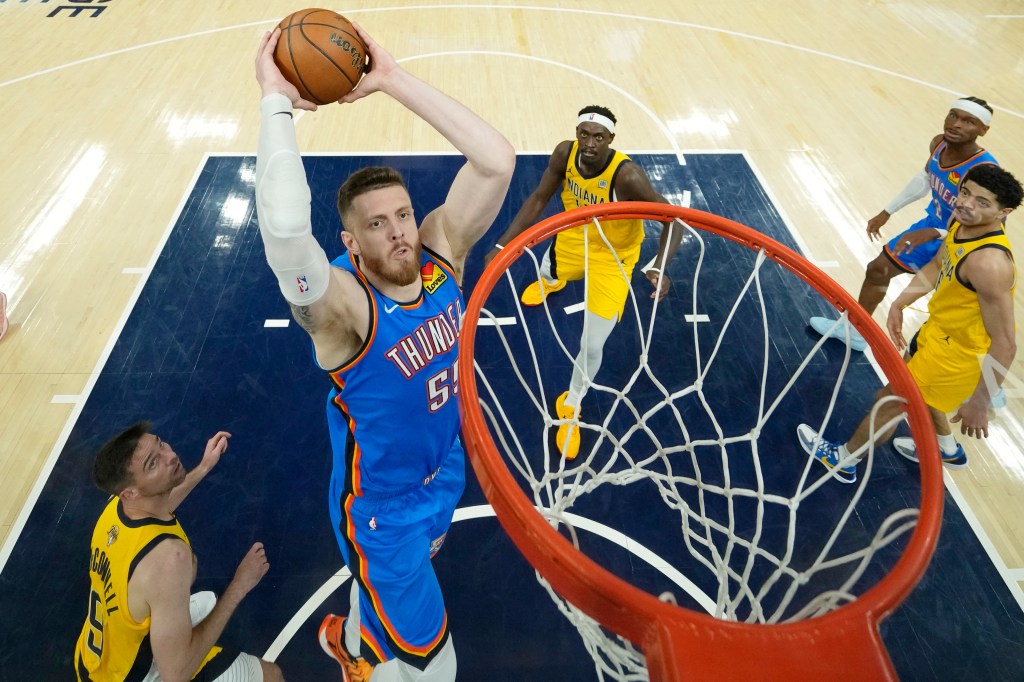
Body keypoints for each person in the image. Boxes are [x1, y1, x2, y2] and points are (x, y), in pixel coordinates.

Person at [253, 23, 514, 682]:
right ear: (351, 240)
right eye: (377, 224)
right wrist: (273, 102)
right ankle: (366, 663)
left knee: (377, 599)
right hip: (383, 515)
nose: (399, 232)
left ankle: (355, 637)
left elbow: (496, 162)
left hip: (444, 468)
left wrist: (391, 79)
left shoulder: (440, 256)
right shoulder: (343, 308)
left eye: (402, 214)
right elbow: (286, 234)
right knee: (436, 666)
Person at [797, 164, 1021, 483]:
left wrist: (981, 402)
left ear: (1004, 212)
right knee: (922, 398)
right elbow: (936, 265)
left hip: (956, 356)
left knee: (889, 401)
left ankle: (843, 459)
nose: (968, 204)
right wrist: (900, 303)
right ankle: (947, 448)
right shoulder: (962, 222)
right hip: (937, 333)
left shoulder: (989, 264)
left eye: (983, 202)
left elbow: (1006, 344)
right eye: (966, 192)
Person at [485, 105, 683, 460]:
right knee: (550, 270)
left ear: (611, 140)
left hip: (614, 257)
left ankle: (572, 403)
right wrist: (503, 243)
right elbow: (540, 197)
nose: (590, 143)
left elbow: (674, 221)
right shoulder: (565, 152)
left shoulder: (628, 178)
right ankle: (550, 283)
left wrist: (659, 266)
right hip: (575, 235)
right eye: (585, 134)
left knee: (592, 346)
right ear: (577, 134)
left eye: (599, 137)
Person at [74, 423, 283, 682]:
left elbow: (160, 503)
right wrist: (240, 584)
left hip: (94, 662)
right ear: (130, 492)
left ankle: (164, 619)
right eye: (153, 463)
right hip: (136, 676)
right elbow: (177, 673)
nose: (170, 455)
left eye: (160, 443)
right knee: (271, 675)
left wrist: (205, 466)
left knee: (168, 600)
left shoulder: (115, 509)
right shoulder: (170, 560)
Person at [809, 97, 998, 352]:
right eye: (953, 115)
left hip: (968, 245)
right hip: (934, 227)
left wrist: (936, 232)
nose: (956, 124)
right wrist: (888, 211)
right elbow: (925, 178)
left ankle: (989, 382)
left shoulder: (984, 171)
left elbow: (985, 224)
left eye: (968, 121)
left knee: (958, 315)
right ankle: (853, 330)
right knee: (878, 269)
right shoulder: (939, 144)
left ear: (982, 131)